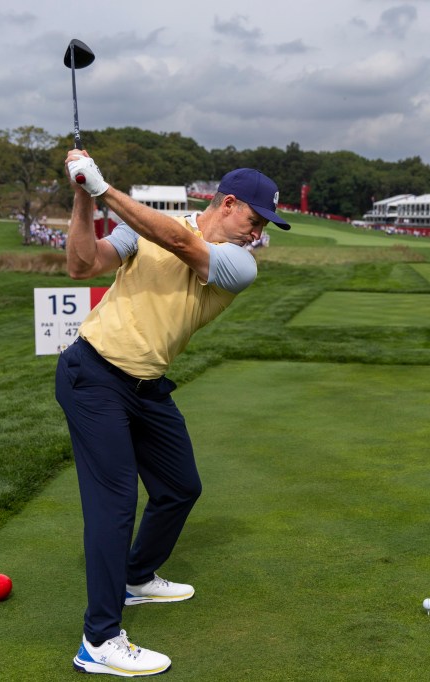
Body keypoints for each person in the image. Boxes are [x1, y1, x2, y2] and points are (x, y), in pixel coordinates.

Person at [56, 149, 290, 677]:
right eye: (255, 220)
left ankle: (137, 577)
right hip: (93, 376)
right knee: (114, 506)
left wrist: (103, 189)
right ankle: (99, 640)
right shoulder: (146, 229)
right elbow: (82, 263)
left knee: (180, 487)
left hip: (146, 386)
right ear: (228, 204)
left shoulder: (240, 264)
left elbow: (181, 241)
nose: (257, 234)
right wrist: (80, 195)